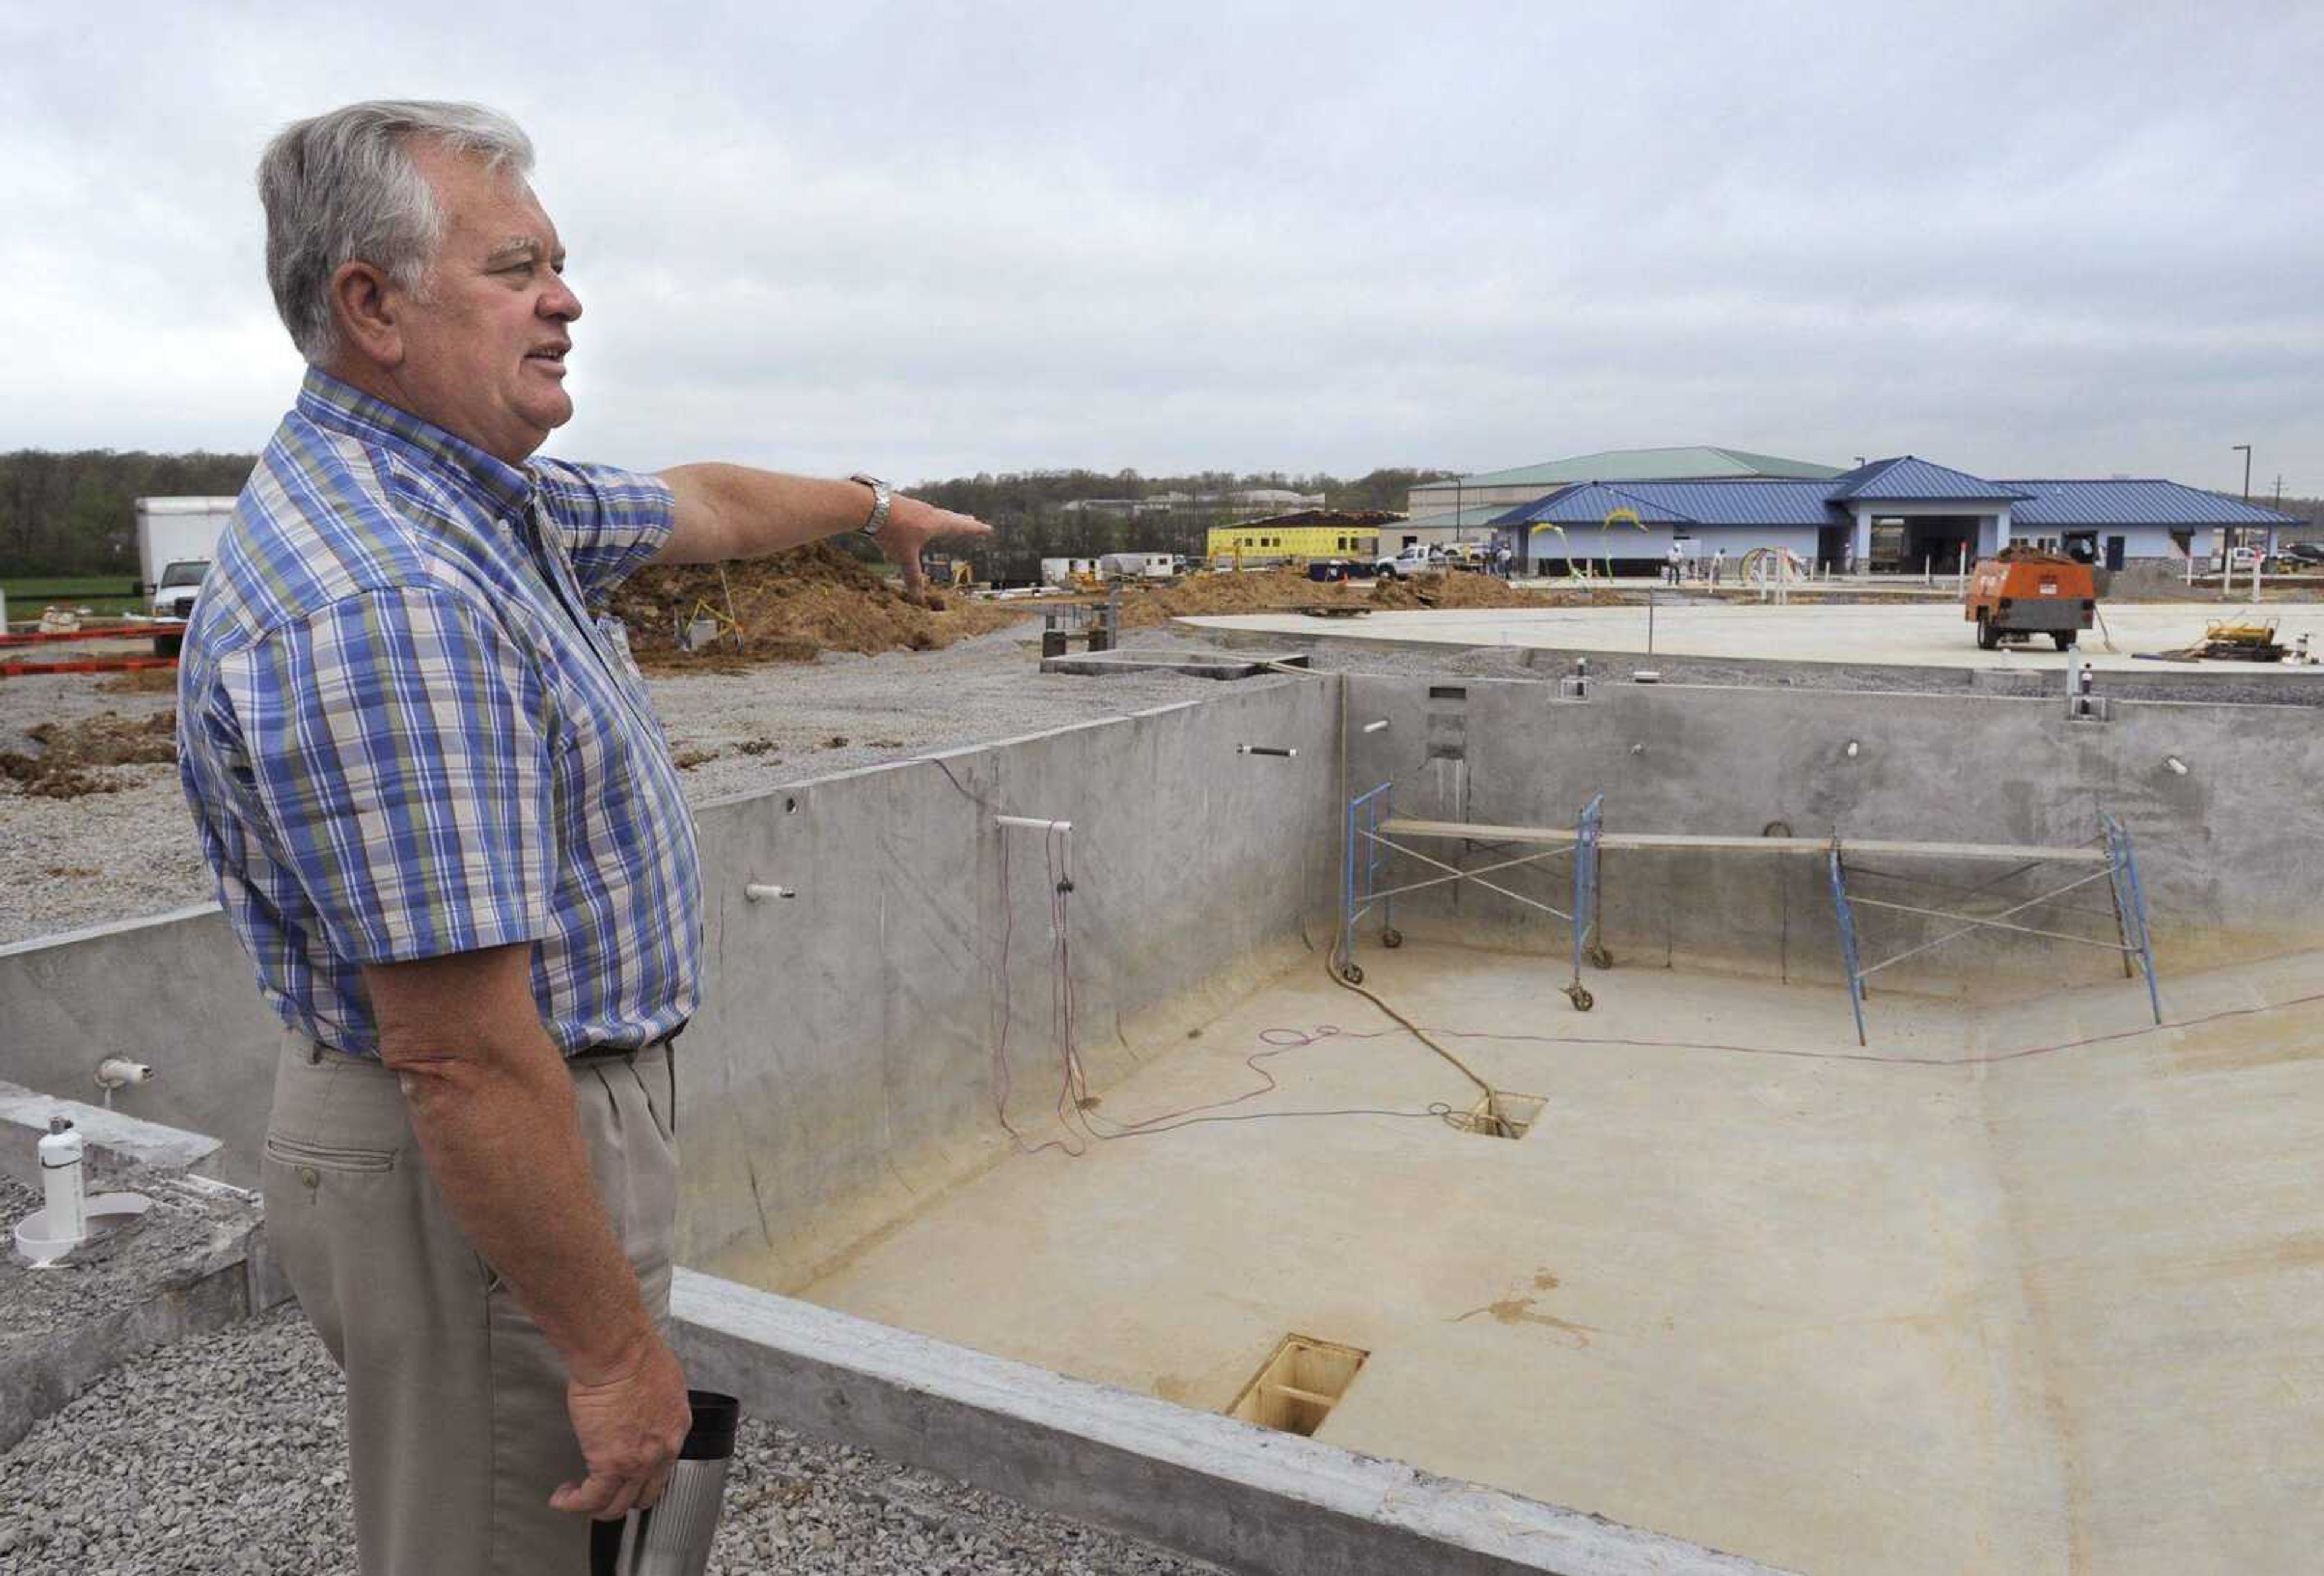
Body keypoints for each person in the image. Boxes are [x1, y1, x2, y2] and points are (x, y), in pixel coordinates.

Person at [174, 101, 988, 1575]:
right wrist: (611, 1355)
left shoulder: (492, 507)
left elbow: (711, 506)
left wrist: (876, 509)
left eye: (558, 261)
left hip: (512, 1135)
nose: (567, 299)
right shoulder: (392, 599)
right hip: (484, 1153)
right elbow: (460, 1055)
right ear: (373, 304)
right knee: (503, 1548)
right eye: (516, 267)